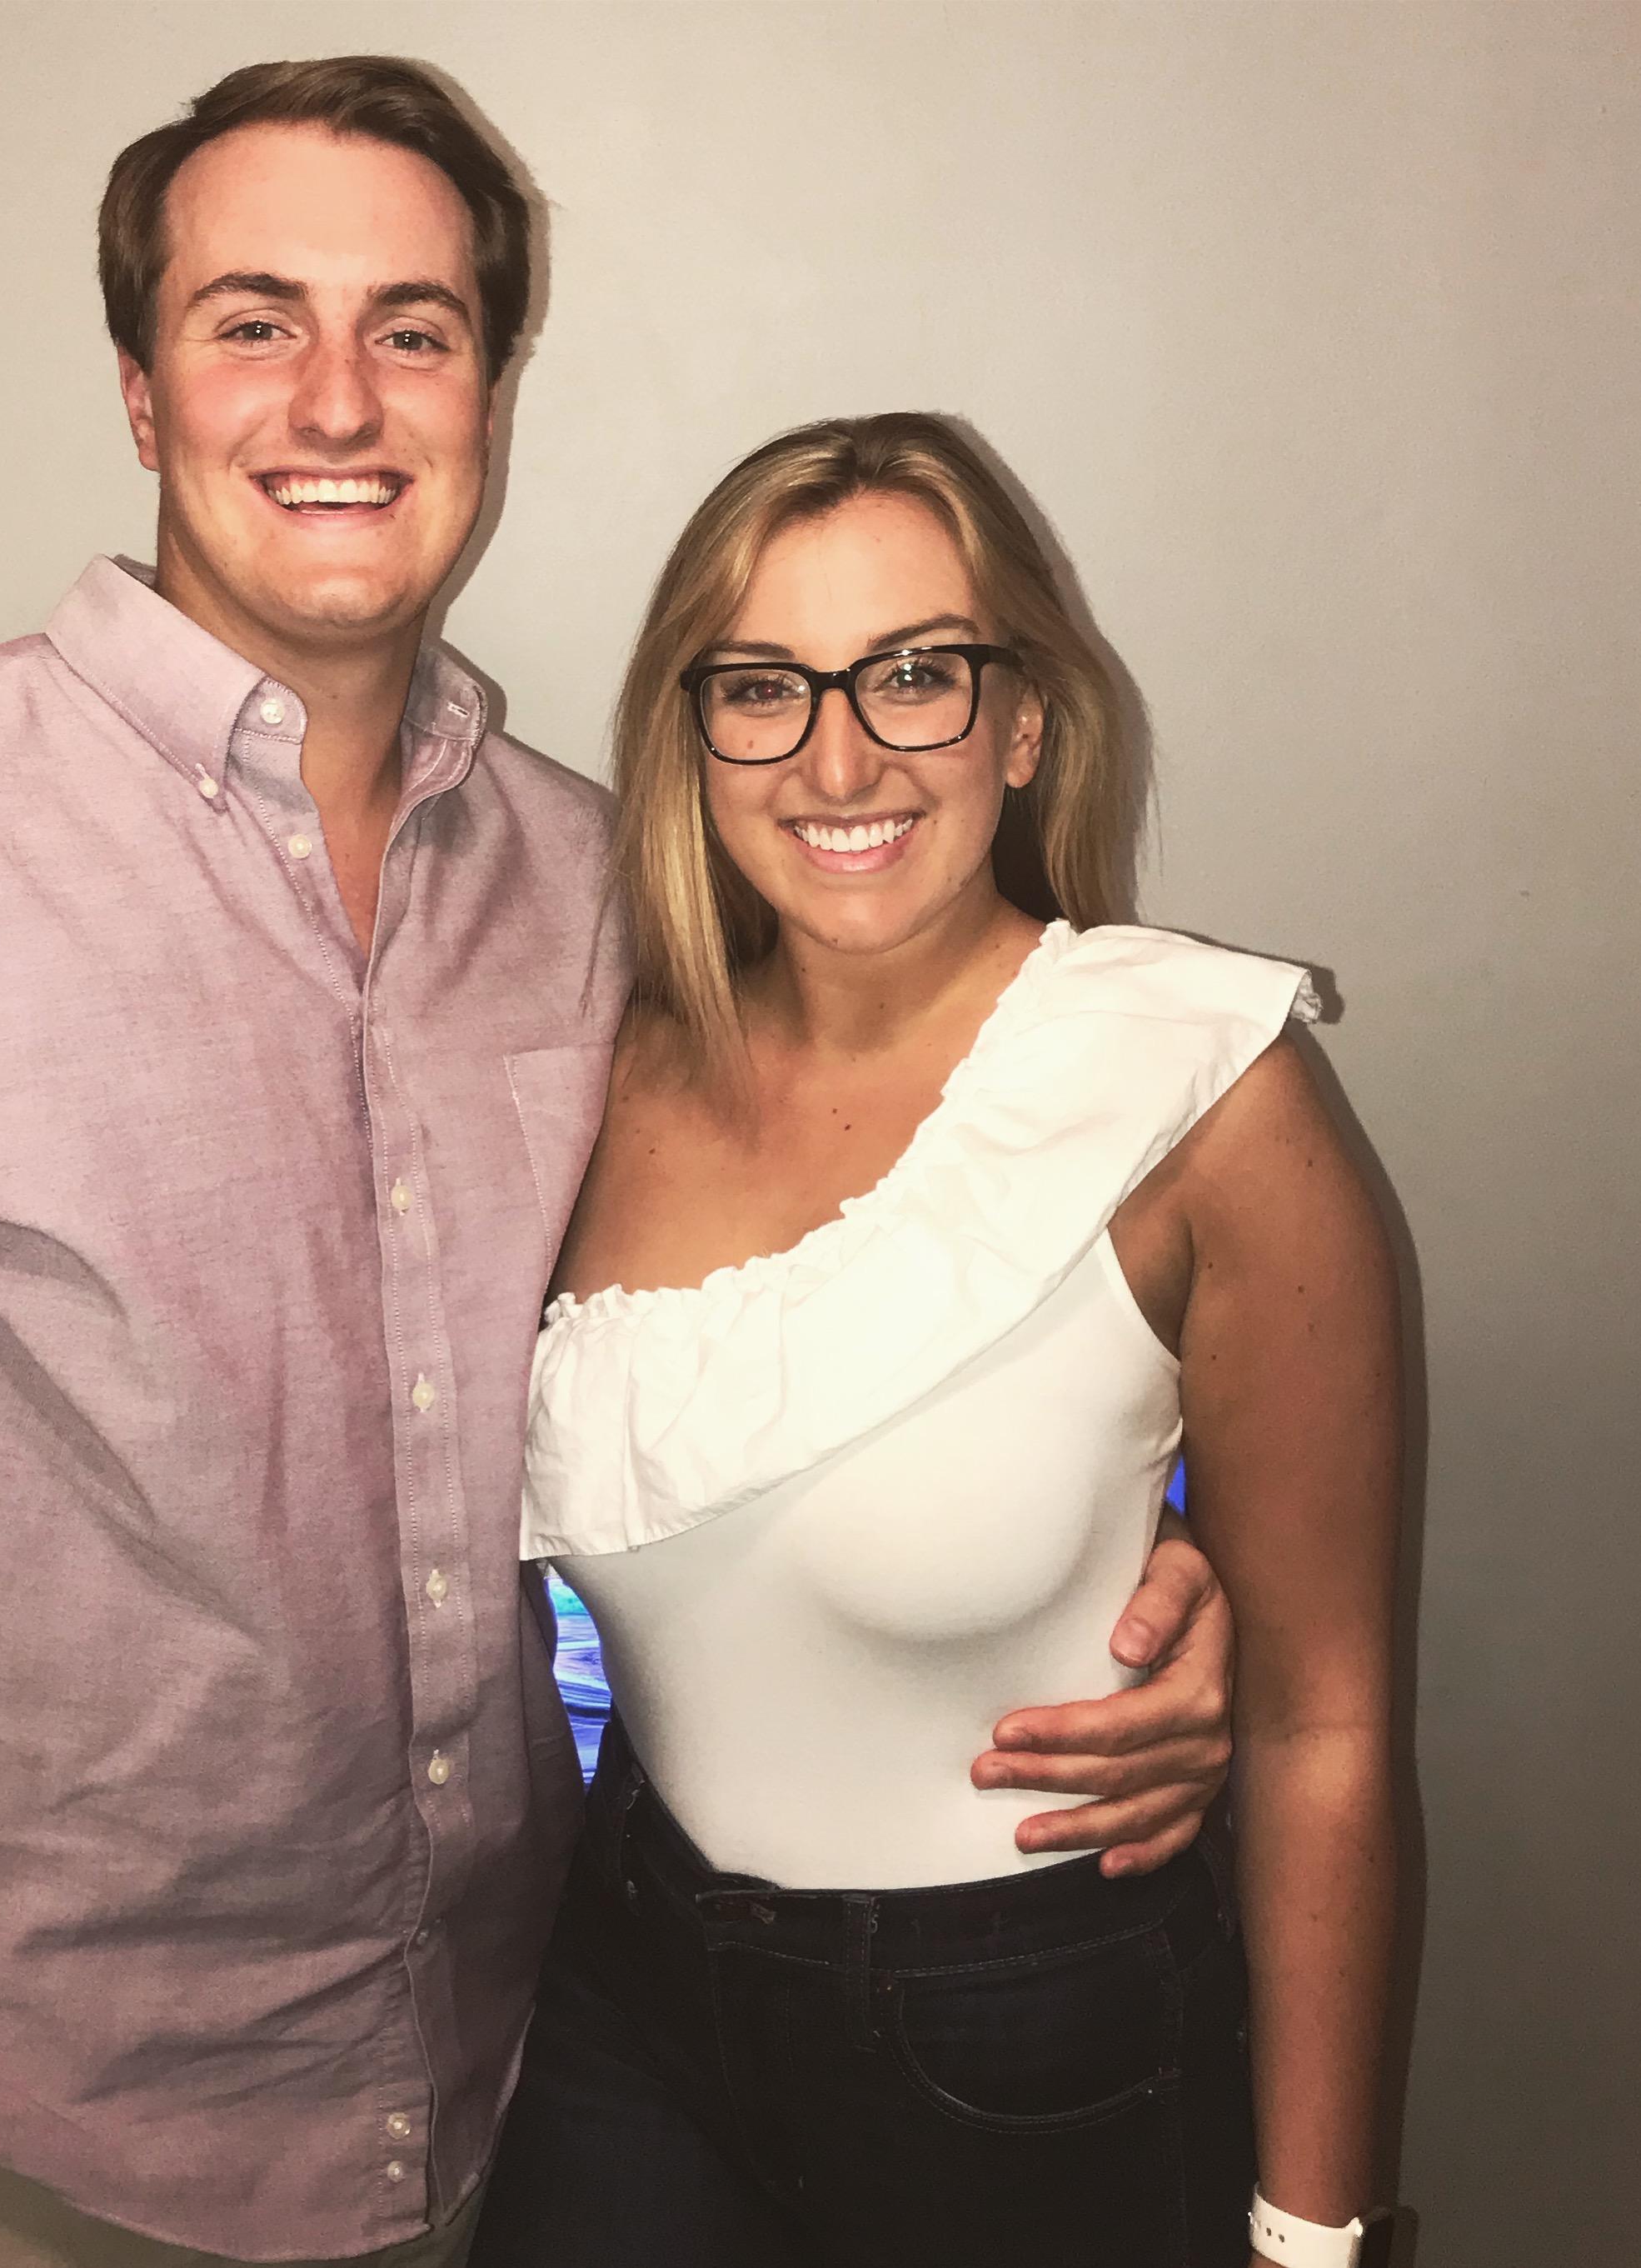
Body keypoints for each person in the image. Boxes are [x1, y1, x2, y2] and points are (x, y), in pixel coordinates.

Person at [0, 62, 1239, 2268]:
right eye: (252, 319)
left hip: (515, 2091)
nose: (339, 399)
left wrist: (1123, 1582)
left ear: (488, 390)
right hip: (7, 2157)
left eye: (414, 327)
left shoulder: (601, 889)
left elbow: (831, 1293)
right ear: (138, 387)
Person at [474, 416, 1400, 2268]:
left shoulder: (1198, 1091)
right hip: (627, 1983)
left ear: (1022, 721)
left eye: (912, 674)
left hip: (1028, 2031)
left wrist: (1315, 2240)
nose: (838, 759)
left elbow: (1325, 1725)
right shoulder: (595, 1074)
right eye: (762, 687)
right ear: (693, 738)